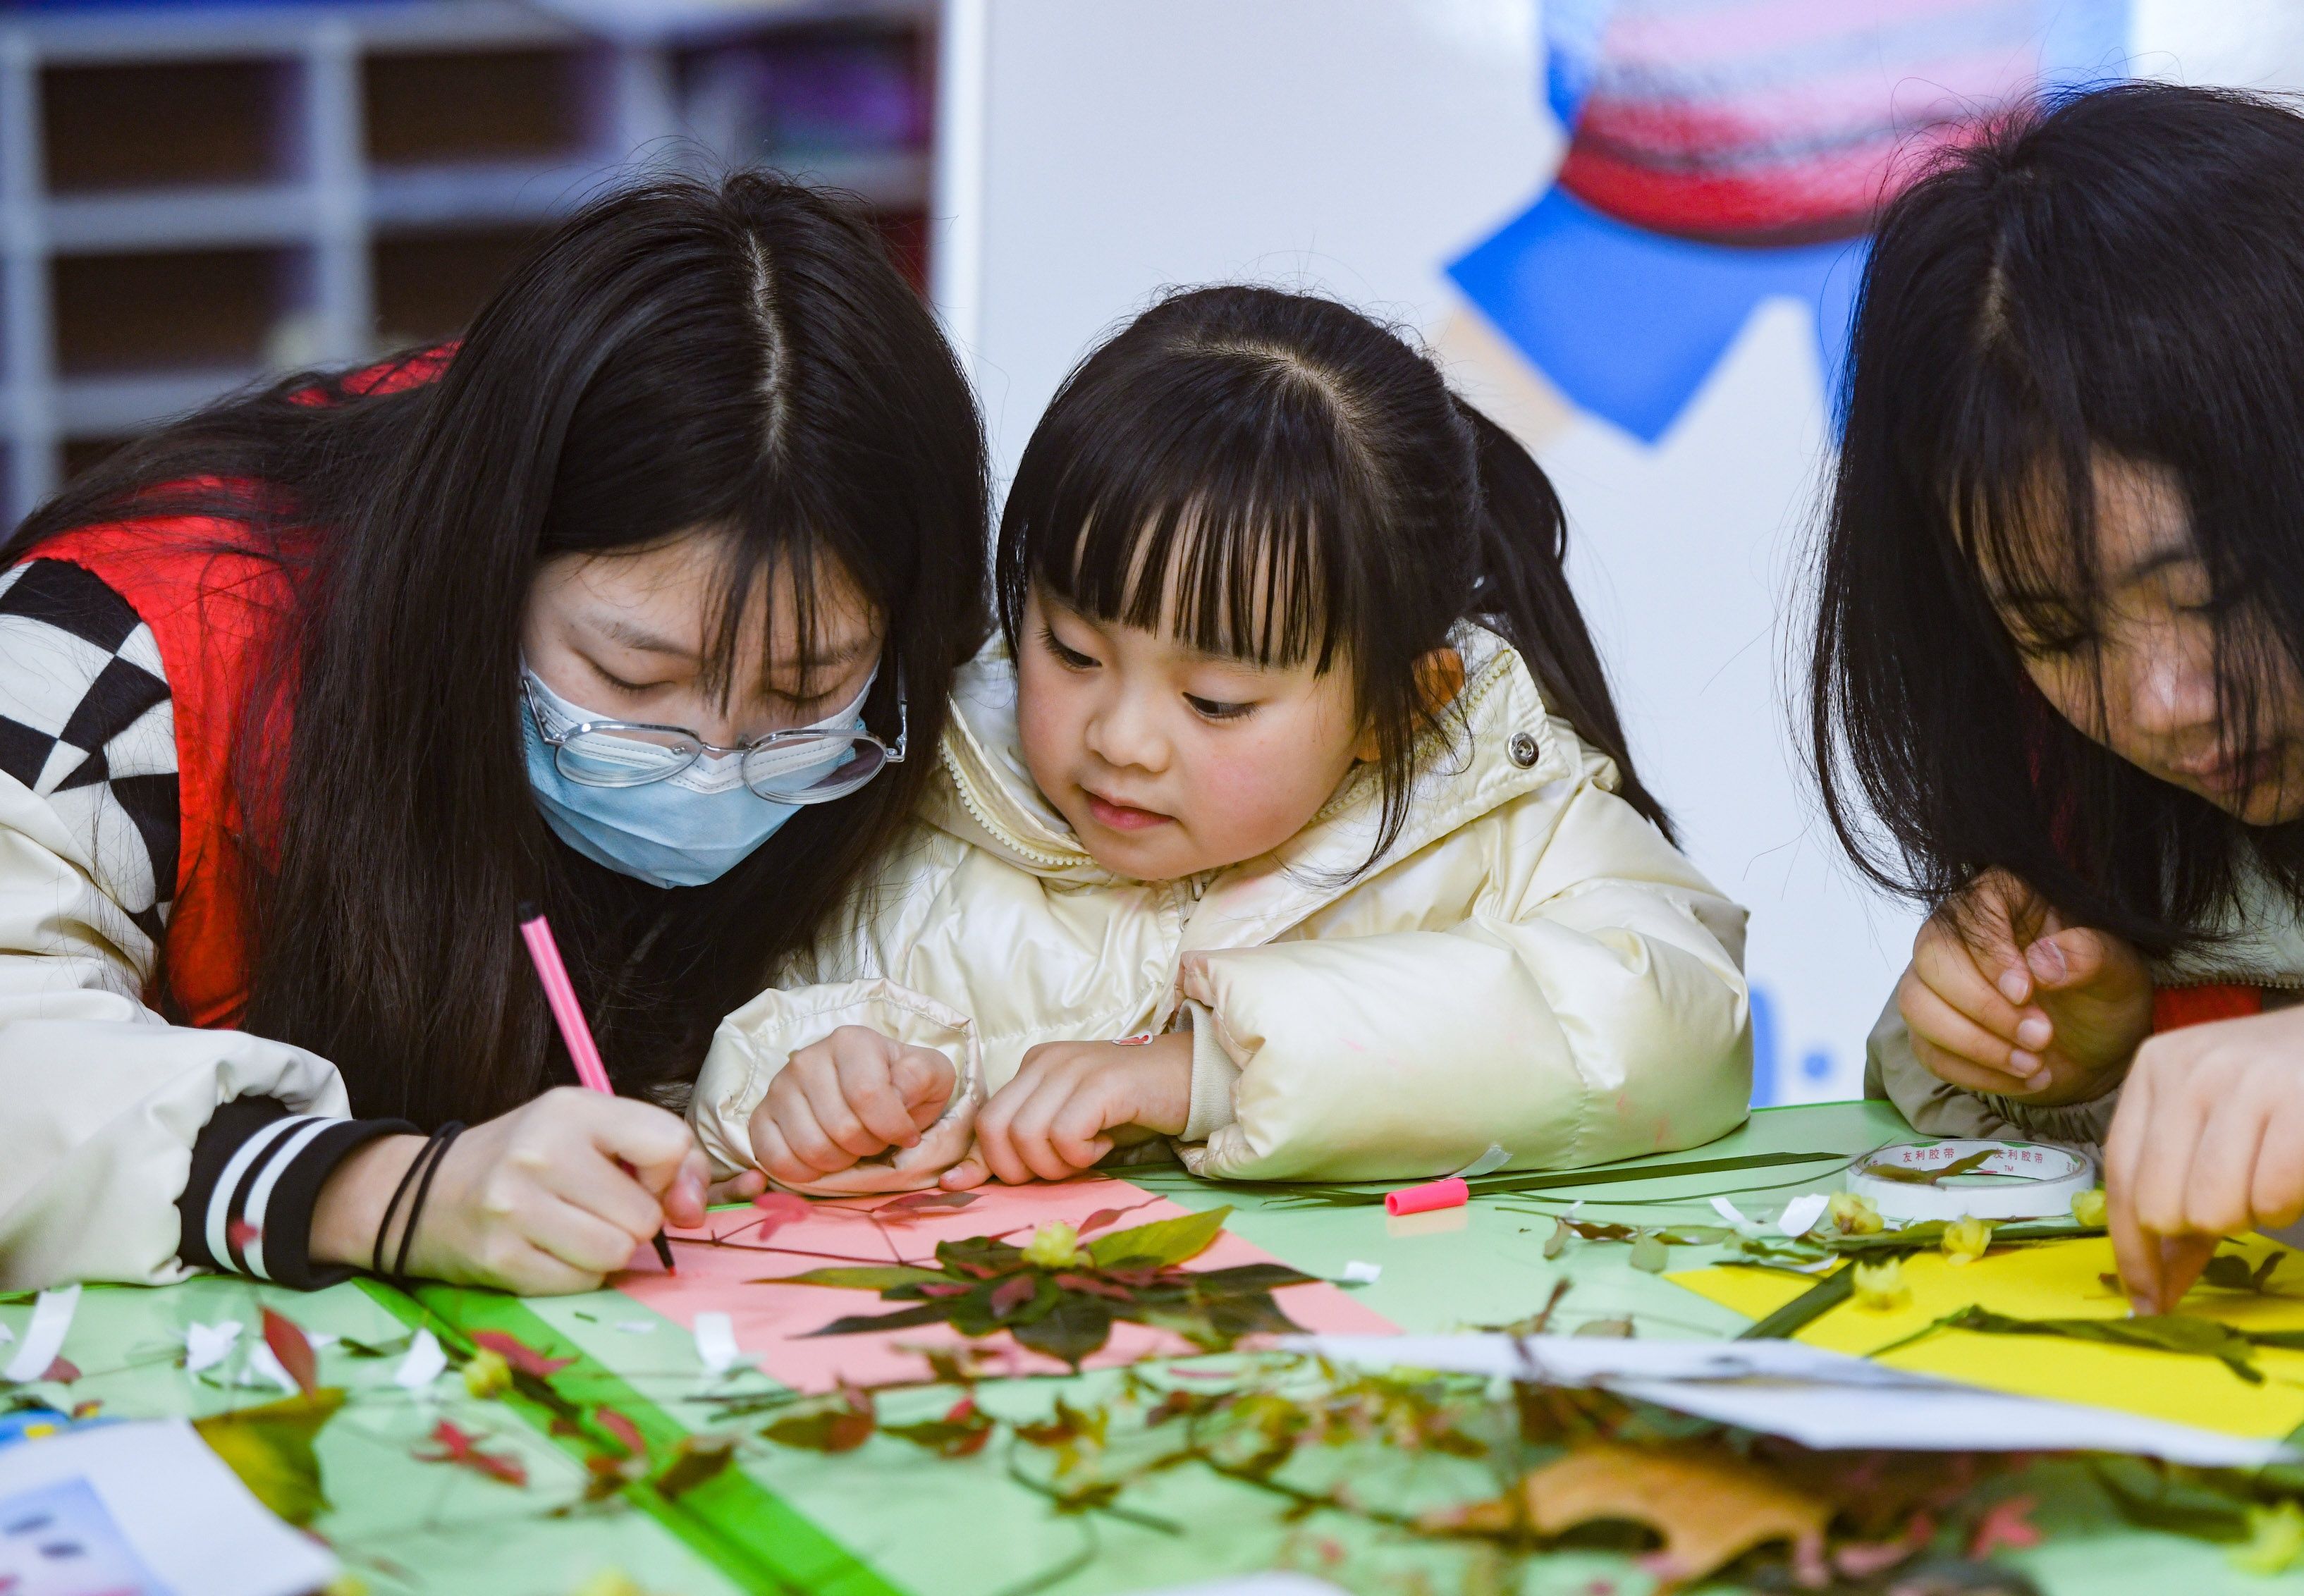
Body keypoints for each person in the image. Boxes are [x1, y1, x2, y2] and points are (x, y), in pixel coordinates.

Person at [0, 174, 987, 1294]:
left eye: (808, 689)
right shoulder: (121, 650)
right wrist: (384, 1193)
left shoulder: (951, 680)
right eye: (632, 673)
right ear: (485, 567)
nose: (715, 764)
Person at [689, 286, 1752, 1193]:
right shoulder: (924, 784)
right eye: (1070, 650)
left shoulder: (1496, 820)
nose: (1122, 739)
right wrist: (791, 1094)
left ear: (1401, 708)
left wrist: (1213, 1075)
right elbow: (749, 1039)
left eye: (1216, 702)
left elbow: (1678, 1025)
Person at [1808, 82, 2304, 1313]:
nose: (2162, 704)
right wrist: (2079, 1060)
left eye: (2217, 584)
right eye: (2052, 629)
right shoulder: (2086, 805)